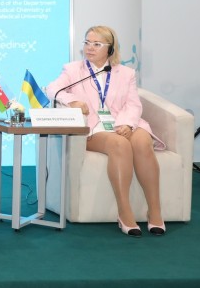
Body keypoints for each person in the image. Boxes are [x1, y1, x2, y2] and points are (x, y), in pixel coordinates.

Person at [45, 25, 166, 237]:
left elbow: (133, 104)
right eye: (87, 42)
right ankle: (125, 212)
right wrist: (72, 101)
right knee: (119, 144)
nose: (90, 47)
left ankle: (155, 211)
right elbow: (52, 89)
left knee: (142, 142)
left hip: (123, 121)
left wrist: (127, 124)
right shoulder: (73, 70)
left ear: (110, 49)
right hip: (94, 127)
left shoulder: (126, 73)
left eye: (97, 44)